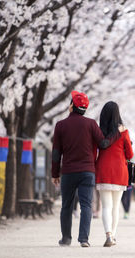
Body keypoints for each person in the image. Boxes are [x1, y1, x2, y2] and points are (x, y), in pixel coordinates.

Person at [51, 91, 110, 248]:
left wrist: (54, 173)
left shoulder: (61, 125)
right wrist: (116, 134)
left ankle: (66, 238)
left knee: (67, 205)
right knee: (86, 205)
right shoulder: (91, 124)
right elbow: (103, 144)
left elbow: (56, 152)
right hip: (87, 171)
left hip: (69, 171)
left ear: (71, 106)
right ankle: (84, 239)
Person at [95, 101, 134, 247]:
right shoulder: (124, 131)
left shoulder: (99, 132)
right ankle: (114, 235)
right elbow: (130, 154)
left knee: (106, 206)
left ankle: (108, 235)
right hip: (119, 171)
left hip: (103, 169)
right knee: (115, 206)